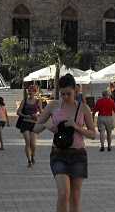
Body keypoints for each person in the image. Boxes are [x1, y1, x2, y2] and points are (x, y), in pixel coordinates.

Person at [33, 73, 96, 212]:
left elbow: (93, 135)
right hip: (58, 154)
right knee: (63, 193)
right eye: (62, 94)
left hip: (78, 155)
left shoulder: (83, 108)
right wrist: (46, 124)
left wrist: (76, 126)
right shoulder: (53, 106)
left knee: (75, 196)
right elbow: (36, 128)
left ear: (76, 90)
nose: (65, 97)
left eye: (69, 93)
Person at [17, 83, 42, 166]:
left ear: (35, 92)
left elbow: (41, 112)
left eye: (32, 91)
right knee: (27, 142)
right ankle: (29, 161)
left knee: (33, 144)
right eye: (29, 91)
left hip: (34, 124)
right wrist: (25, 115)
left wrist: (37, 114)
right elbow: (18, 112)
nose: (30, 93)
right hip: (25, 123)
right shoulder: (24, 101)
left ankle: (32, 155)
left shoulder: (38, 101)